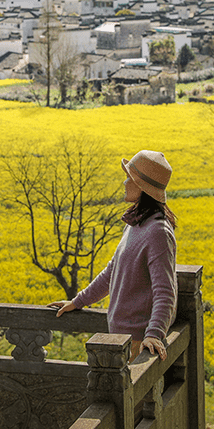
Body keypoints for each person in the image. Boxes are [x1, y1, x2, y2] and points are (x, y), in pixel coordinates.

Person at [48, 150, 177, 361]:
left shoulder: (158, 232)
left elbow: (165, 291)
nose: (124, 182)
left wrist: (154, 334)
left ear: (142, 187)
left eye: (129, 178)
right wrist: (78, 301)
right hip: (121, 338)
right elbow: (112, 271)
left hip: (138, 344)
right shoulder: (137, 223)